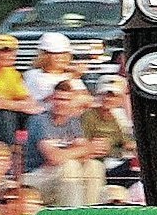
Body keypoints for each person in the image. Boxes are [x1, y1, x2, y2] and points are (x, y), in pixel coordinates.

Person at [21, 79, 108, 207]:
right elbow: (54, 157)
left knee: (94, 166)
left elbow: (86, 154)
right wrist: (86, 148)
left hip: (56, 173)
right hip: (34, 177)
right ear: (52, 100)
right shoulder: (40, 121)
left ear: (72, 102)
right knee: (70, 166)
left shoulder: (73, 121)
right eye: (57, 99)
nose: (60, 104)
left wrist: (79, 150)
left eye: (65, 100)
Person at [80, 75, 137, 180]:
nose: (107, 99)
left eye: (113, 96)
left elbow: (126, 143)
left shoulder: (119, 116)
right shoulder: (88, 116)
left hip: (119, 161)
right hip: (100, 164)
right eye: (104, 94)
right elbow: (87, 144)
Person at [21, 33, 82, 103]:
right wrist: (74, 76)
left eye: (65, 53)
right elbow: (58, 95)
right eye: (55, 53)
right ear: (44, 55)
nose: (61, 58)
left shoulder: (72, 78)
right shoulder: (32, 76)